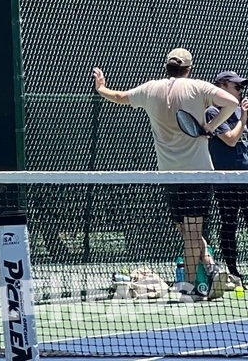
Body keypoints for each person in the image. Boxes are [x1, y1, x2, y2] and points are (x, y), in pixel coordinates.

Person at [93, 47, 240, 298]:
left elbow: (118, 96)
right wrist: (211, 126)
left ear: (167, 66)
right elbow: (232, 102)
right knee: (190, 232)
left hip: (169, 175)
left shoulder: (150, 89)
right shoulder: (198, 87)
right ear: (189, 68)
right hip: (198, 175)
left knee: (187, 232)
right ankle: (200, 279)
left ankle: (196, 281)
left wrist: (101, 89)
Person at [206, 71, 248, 283]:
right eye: (237, 87)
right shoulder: (213, 111)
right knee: (229, 223)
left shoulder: (240, 113)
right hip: (227, 179)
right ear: (223, 86)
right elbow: (230, 140)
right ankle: (233, 270)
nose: (241, 91)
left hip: (245, 177)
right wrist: (244, 117)